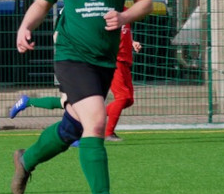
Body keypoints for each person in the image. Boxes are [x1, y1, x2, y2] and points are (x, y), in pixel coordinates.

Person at [11, 0, 152, 194]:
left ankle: (26, 159)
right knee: (96, 123)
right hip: (71, 57)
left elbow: (146, 2)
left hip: (104, 60)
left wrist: (125, 15)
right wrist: (25, 26)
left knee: (72, 126)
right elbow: (42, 2)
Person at [10, 28, 143, 142]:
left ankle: (28, 102)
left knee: (72, 103)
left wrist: (130, 42)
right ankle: (79, 134)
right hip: (70, 63)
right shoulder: (70, 13)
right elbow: (57, 36)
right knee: (71, 103)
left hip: (80, 62)